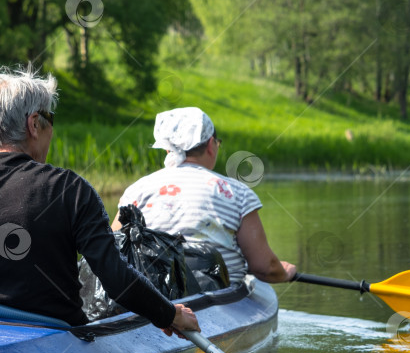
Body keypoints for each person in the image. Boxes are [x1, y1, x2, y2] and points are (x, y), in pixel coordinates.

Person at [0, 65, 200, 337]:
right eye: (50, 120)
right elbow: (115, 278)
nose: (52, 129)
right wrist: (170, 315)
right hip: (51, 329)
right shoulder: (71, 190)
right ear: (34, 124)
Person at [112, 107, 296, 284]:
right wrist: (284, 273)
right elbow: (265, 268)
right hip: (219, 296)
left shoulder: (136, 190)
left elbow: (112, 249)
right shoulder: (237, 193)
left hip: (155, 293)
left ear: (168, 149)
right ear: (210, 145)